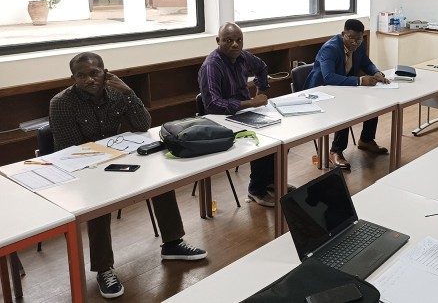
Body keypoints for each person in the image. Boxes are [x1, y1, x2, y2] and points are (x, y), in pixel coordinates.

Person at [50, 52, 206, 299]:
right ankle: (104, 269)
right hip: (84, 168)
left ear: (105, 72)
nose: (89, 79)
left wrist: (129, 93)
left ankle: (173, 243)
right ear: (73, 78)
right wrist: (106, 157)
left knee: (159, 178)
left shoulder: (116, 92)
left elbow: (143, 124)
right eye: (81, 76)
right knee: (98, 200)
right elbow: (69, 150)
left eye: (94, 73)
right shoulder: (62, 103)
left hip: (117, 157)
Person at [198, 22, 278, 207]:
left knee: (278, 132)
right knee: (262, 140)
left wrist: (261, 90)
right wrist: (251, 102)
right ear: (218, 41)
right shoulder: (211, 66)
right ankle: (256, 190)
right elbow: (212, 105)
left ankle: (271, 181)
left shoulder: (243, 57)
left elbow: (262, 67)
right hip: (220, 120)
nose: (235, 44)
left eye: (238, 40)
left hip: (244, 113)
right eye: (228, 40)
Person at [304, 19, 390, 169]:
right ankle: (335, 151)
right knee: (345, 110)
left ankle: (366, 140)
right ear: (343, 34)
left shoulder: (359, 44)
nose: (356, 43)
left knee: (374, 102)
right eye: (352, 38)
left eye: (359, 38)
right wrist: (360, 80)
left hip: (343, 88)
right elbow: (329, 77)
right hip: (321, 92)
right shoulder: (330, 48)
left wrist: (376, 72)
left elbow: (366, 63)